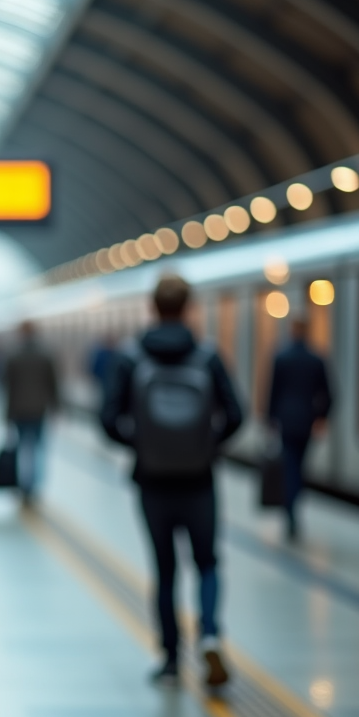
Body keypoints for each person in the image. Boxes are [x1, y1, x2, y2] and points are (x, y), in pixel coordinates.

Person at [101, 275, 242, 687]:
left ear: (152, 307)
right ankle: (211, 634)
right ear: (188, 307)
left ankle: (170, 660)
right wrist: (206, 445)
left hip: (152, 480)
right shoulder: (208, 356)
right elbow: (237, 414)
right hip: (199, 479)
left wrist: (141, 444)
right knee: (208, 562)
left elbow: (108, 419)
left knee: (165, 570)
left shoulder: (131, 357)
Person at [267, 318, 332, 542]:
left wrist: (271, 420)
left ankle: (290, 510)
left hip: (286, 420)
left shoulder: (281, 357)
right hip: (306, 421)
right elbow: (329, 394)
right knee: (299, 465)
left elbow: (273, 391)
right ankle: (295, 502)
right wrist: (321, 417)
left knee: (290, 464)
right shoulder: (316, 359)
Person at [4, 321, 58, 503]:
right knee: (37, 447)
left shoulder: (13, 355)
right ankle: (35, 485)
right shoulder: (45, 354)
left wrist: (6, 414)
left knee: (22, 447)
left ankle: (24, 485)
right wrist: (55, 406)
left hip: (18, 409)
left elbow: (8, 387)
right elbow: (53, 384)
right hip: (39, 409)